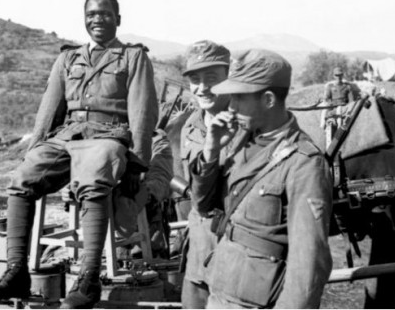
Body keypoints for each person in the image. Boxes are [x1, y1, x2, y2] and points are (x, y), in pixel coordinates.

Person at [0, 0, 158, 309]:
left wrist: (136, 165)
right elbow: (48, 111)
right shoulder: (68, 58)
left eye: (104, 14)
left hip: (109, 136)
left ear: (118, 19)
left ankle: (88, 280)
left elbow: (143, 111)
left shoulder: (133, 56)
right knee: (21, 179)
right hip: (68, 135)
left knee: (93, 175)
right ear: (84, 19)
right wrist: (35, 152)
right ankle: (17, 272)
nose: (97, 19)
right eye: (91, 14)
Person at [192, 49, 333, 308]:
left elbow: (309, 265)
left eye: (239, 97)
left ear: (268, 99)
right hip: (221, 290)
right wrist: (211, 151)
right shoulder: (238, 140)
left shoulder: (303, 162)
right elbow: (202, 207)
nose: (231, 106)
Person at [178, 40, 231, 308]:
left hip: (236, 253)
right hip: (199, 251)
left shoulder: (250, 124)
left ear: (229, 78)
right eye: (195, 79)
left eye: (212, 78)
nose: (202, 87)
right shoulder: (191, 126)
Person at [113, 129, 174, 258]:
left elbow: (162, 177)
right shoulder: (104, 135)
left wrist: (144, 191)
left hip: (149, 233)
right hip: (110, 236)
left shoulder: (156, 138)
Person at [322, 67, 356, 147]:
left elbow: (351, 101)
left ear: (342, 75)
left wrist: (348, 108)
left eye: (340, 75)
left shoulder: (347, 87)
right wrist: (329, 103)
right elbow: (326, 99)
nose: (338, 77)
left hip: (344, 108)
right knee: (330, 122)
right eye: (336, 75)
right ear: (334, 76)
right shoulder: (330, 87)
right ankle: (330, 145)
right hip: (333, 108)